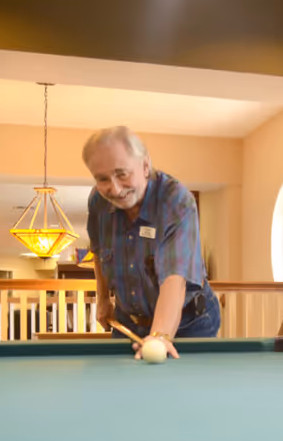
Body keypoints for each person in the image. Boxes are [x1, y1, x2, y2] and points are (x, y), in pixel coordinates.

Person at [83, 126, 220, 359]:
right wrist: (103, 299)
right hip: (128, 321)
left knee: (183, 394)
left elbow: (174, 279)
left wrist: (160, 336)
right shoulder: (98, 202)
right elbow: (98, 251)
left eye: (122, 174)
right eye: (102, 178)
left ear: (145, 166)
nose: (114, 189)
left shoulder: (175, 200)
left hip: (190, 323)